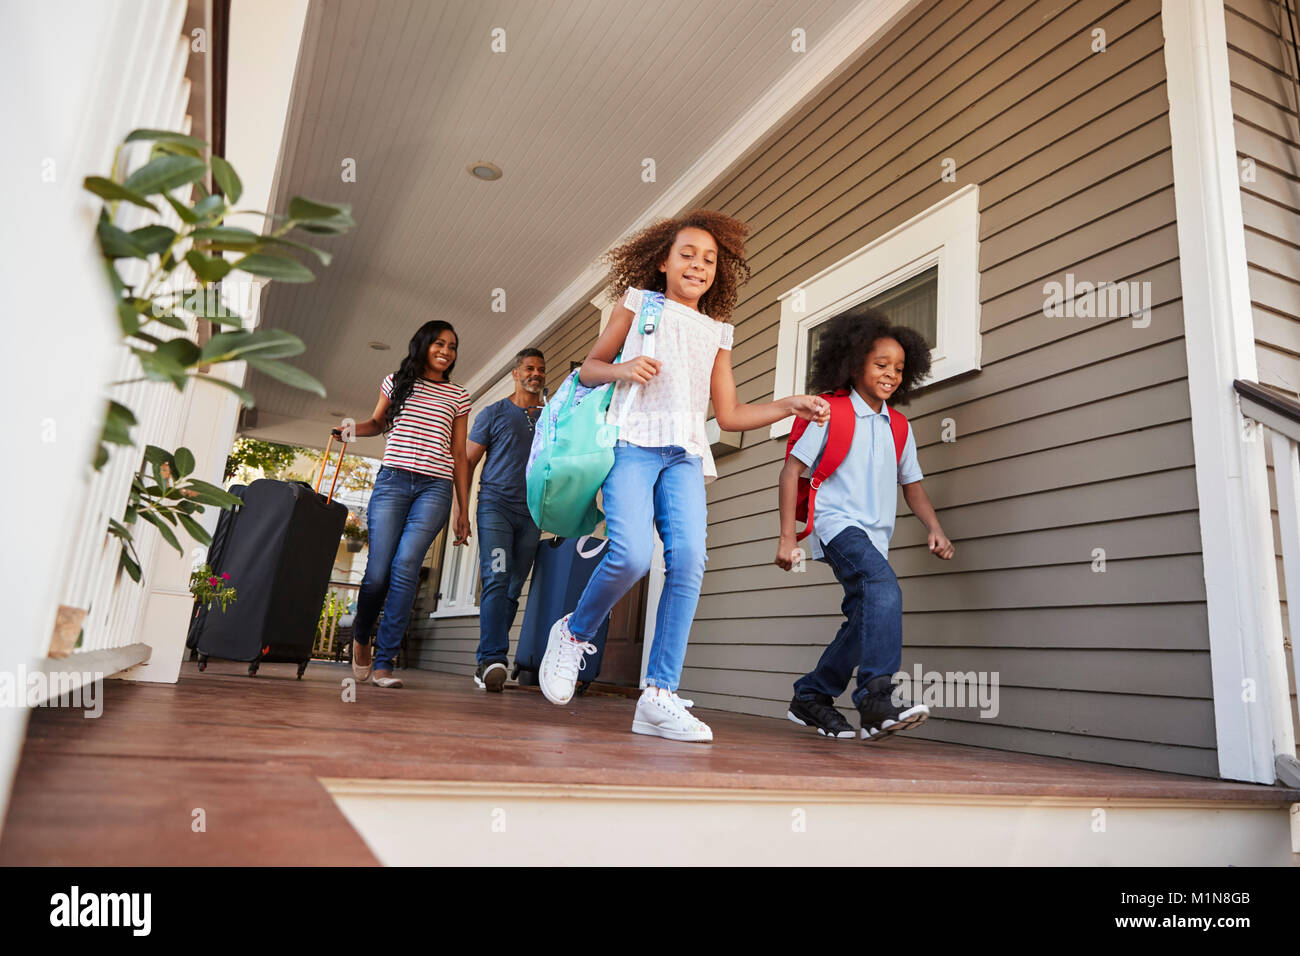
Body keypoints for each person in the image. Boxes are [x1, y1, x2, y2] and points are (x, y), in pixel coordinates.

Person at [536, 209, 829, 742]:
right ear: (664, 262)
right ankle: (574, 633)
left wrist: (789, 404)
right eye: (687, 255)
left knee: (689, 561)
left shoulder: (718, 332)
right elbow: (588, 369)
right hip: (630, 444)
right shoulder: (639, 304)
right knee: (629, 554)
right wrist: (625, 369)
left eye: (710, 260)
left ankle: (659, 694)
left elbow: (730, 414)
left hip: (686, 455)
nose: (698, 265)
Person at [775, 310, 955, 741]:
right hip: (836, 524)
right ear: (854, 363)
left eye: (898, 367)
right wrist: (786, 537)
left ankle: (812, 696)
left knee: (865, 618)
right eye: (880, 364)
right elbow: (791, 471)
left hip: (876, 536)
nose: (891, 374)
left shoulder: (898, 426)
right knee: (884, 588)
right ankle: (876, 698)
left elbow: (911, 486)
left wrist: (935, 527)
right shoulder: (830, 412)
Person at [333, 320, 471, 688]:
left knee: (406, 566)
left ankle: (384, 662)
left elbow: (459, 453)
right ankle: (362, 637)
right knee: (378, 572)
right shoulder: (395, 382)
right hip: (393, 482)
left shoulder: (458, 396)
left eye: (452, 347)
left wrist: (463, 509)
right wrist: (350, 429)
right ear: (423, 345)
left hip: (436, 487)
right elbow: (378, 423)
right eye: (439, 344)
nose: (446, 351)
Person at [465, 348, 547, 691]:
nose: (536, 374)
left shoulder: (550, 417)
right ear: (516, 373)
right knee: (497, 578)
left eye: (541, 369)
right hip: (496, 508)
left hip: (533, 512)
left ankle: (488, 660)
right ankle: (492, 659)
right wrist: (460, 511)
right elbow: (467, 462)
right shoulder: (493, 413)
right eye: (529, 368)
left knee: (513, 587)